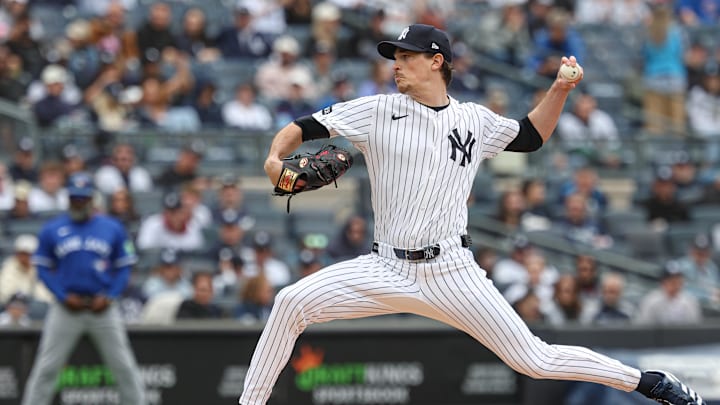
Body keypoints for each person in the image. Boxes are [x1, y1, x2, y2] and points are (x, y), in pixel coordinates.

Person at [238, 24, 705, 405]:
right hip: (384, 265)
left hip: (451, 271)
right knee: (289, 303)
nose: (396, 64)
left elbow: (529, 136)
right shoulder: (376, 110)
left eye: (406, 56)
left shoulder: (474, 120)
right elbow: (300, 128)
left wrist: (560, 88)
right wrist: (274, 162)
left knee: (535, 360)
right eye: (395, 56)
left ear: (436, 60)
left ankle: (651, 383)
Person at [21, 172, 145, 405]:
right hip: (67, 308)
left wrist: (110, 296)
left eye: (83, 198)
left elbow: (124, 267)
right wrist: (61, 295)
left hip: (103, 308)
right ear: (68, 198)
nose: (79, 203)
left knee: (124, 367)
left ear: (92, 199)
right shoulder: (53, 229)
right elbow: (43, 269)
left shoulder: (112, 227)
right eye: (74, 198)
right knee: (46, 368)